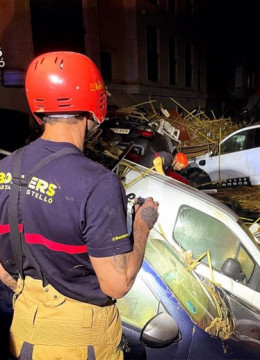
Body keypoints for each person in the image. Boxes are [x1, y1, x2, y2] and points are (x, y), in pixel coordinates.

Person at [0, 51, 159, 359]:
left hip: (23, 334)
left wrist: (20, 286)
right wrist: (142, 223)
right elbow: (117, 283)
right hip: (81, 344)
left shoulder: (5, 170)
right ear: (94, 105)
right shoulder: (96, 183)